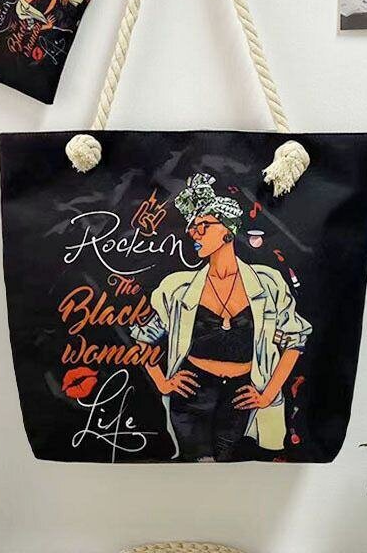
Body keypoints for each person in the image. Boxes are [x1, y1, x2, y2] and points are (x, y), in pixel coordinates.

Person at [131, 173, 312, 461]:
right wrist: (163, 382)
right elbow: (144, 338)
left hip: (243, 394)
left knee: (231, 465)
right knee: (196, 465)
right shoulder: (177, 287)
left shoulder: (268, 282)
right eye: (192, 228)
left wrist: (268, 394)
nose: (194, 233)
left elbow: (295, 339)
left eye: (202, 226)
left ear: (228, 229)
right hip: (191, 394)